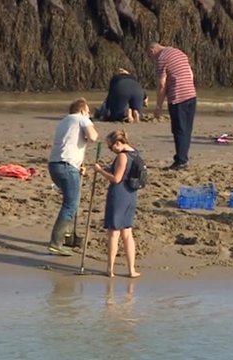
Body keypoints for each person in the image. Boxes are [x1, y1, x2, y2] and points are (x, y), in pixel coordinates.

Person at [48, 98, 98, 256]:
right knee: (71, 204)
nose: (89, 115)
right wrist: (90, 124)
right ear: (83, 110)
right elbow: (93, 136)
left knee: (71, 201)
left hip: (55, 164)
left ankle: (68, 236)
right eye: (88, 112)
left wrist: (78, 165)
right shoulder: (81, 118)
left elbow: (70, 143)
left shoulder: (64, 121)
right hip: (66, 166)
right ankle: (56, 242)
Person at [93, 130, 141, 278]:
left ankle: (110, 269)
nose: (111, 150)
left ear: (118, 143)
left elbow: (116, 179)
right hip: (130, 194)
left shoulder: (122, 156)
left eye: (111, 147)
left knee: (114, 233)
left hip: (119, 195)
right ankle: (131, 269)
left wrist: (100, 171)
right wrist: (107, 168)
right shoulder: (135, 153)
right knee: (127, 233)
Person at [146, 42, 197, 171]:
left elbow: (162, 85)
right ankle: (183, 157)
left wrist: (158, 107)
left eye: (150, 56)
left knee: (178, 130)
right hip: (191, 94)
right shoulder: (178, 52)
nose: (152, 59)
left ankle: (181, 160)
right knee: (186, 129)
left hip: (178, 97)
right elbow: (191, 74)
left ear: (152, 50)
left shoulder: (161, 58)